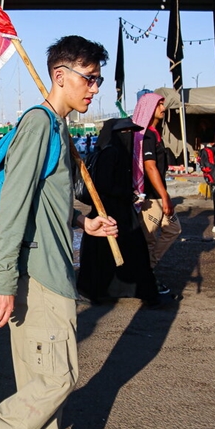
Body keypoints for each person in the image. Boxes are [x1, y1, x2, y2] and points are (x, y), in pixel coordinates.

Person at [0, 35, 118, 429]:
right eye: (90, 78)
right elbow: (14, 208)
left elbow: (48, 199)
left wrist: (84, 221)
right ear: (60, 76)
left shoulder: (57, 127)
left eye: (98, 80)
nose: (95, 88)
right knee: (59, 379)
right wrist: (4, 283)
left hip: (47, 268)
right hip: (40, 275)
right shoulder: (39, 124)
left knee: (38, 381)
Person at [78, 117, 168, 306]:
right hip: (108, 213)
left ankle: (141, 291)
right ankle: (100, 292)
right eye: (124, 133)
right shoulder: (110, 153)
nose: (128, 136)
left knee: (133, 252)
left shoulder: (117, 152)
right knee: (107, 255)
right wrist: (129, 195)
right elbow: (104, 185)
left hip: (121, 212)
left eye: (131, 132)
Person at [131, 93, 181, 273]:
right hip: (151, 199)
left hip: (159, 196)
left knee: (174, 229)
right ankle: (147, 276)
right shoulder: (147, 136)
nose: (163, 108)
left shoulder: (154, 134)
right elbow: (150, 167)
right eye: (159, 105)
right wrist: (164, 196)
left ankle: (150, 265)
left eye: (162, 104)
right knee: (149, 239)